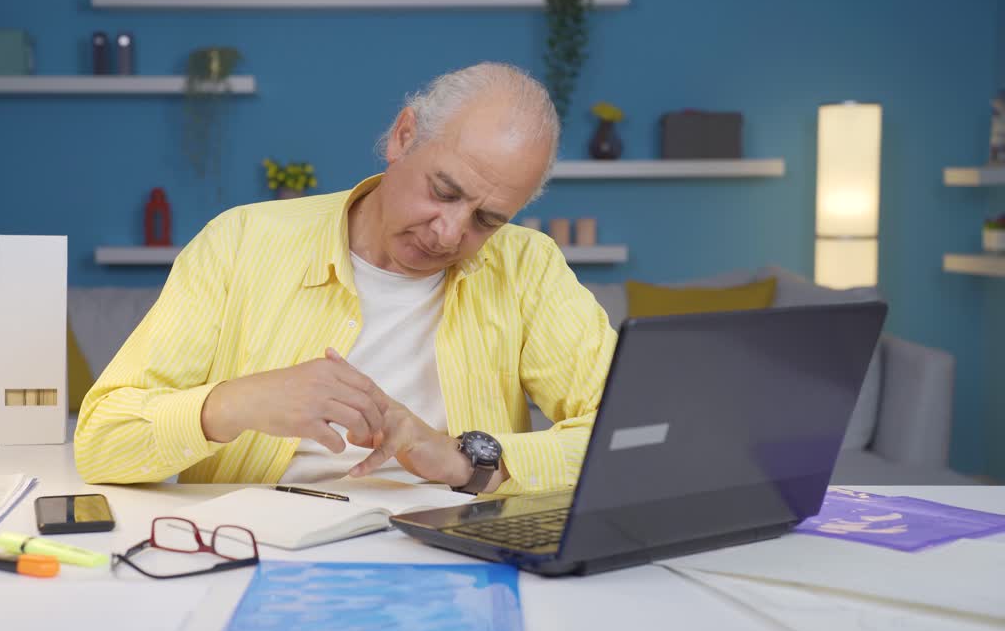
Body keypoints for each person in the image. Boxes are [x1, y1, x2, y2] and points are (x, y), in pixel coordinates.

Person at [75, 62, 616, 496]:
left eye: (487, 220)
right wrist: (234, 403)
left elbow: (625, 438)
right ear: (403, 138)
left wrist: (466, 459)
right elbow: (102, 440)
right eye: (444, 192)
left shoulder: (528, 267)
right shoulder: (240, 242)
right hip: (260, 555)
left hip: (455, 554)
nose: (450, 233)